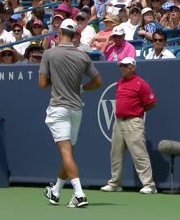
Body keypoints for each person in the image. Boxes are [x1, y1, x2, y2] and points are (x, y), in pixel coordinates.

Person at [39, 19, 103, 208]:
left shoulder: (49, 54)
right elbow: (98, 81)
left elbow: (42, 84)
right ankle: (56, 190)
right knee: (69, 154)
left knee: (67, 154)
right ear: (75, 35)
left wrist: (55, 80)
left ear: (59, 32)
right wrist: (81, 88)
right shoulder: (83, 56)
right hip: (76, 110)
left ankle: (79, 194)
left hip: (59, 109)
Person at [100, 57, 158, 194]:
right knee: (116, 153)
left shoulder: (140, 83)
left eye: (125, 66)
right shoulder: (120, 82)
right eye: (121, 66)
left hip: (134, 122)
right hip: (118, 122)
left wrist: (137, 111)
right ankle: (115, 183)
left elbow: (152, 103)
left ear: (133, 67)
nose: (122, 68)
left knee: (139, 153)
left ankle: (149, 185)